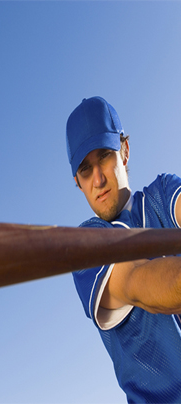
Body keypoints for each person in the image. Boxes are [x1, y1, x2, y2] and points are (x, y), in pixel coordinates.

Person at [66, 96, 181, 404]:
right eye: (85, 170)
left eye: (104, 156)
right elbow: (141, 284)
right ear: (77, 182)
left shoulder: (163, 194)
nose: (98, 180)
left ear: (125, 152)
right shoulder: (85, 247)